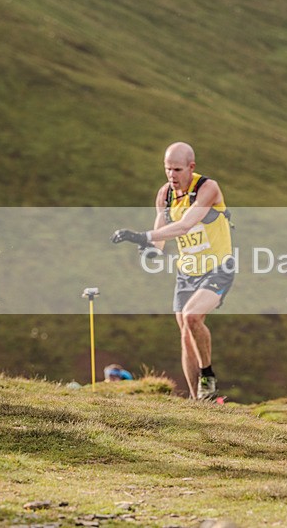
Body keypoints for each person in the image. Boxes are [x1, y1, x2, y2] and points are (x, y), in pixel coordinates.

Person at [111, 142, 234, 401]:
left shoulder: (207, 189)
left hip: (218, 268)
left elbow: (185, 225)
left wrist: (141, 236)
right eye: (167, 169)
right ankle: (197, 400)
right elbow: (160, 238)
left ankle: (207, 377)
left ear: (191, 167)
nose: (172, 175)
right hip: (186, 273)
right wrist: (150, 248)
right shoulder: (165, 195)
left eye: (177, 169)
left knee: (192, 317)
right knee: (185, 333)